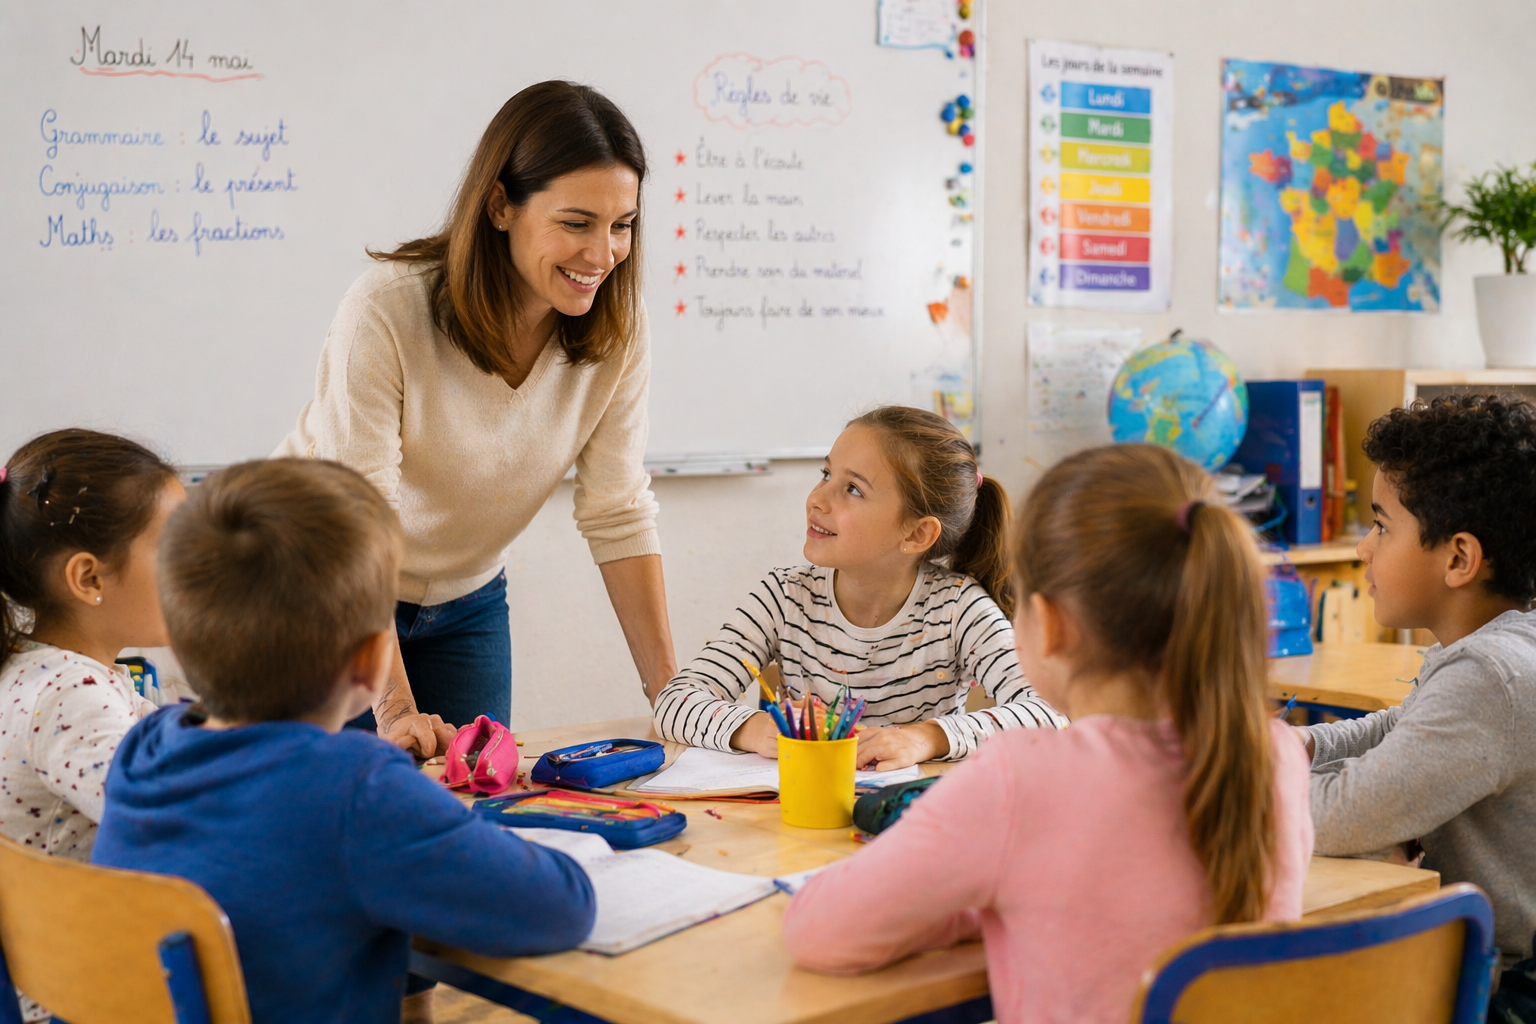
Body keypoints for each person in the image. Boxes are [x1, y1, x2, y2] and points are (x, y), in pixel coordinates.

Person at [782, 444, 1314, 1024]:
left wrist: (970, 898)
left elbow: (819, 933)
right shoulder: (1277, 755)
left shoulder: (1020, 777)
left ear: (1051, 625)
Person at [91, 459, 596, 1024]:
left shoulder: (143, 749)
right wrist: (411, 801)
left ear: (179, 646)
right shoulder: (359, 788)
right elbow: (561, 908)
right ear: (373, 663)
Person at [275, 80, 677, 758]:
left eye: (623, 225)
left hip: (466, 598)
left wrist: (673, 698)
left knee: (471, 809)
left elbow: (617, 510)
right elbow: (355, 520)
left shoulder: (618, 327)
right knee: (340, 821)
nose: (603, 253)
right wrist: (395, 706)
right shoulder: (388, 309)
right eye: (576, 223)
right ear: (500, 206)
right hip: (326, 584)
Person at [654, 406, 1063, 773]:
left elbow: (1052, 713)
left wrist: (926, 738)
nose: (817, 498)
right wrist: (755, 728)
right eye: (826, 474)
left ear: (918, 533)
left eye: (852, 489)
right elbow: (673, 703)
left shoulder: (958, 608)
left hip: (911, 821)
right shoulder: (784, 596)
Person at [1294, 394, 1536, 1012]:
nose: (1363, 549)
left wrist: (1237, 781)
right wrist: (1307, 744)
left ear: (1458, 558)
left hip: (1503, 988)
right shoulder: (1499, 644)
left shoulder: (1490, 675)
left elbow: (1347, 815)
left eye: (1380, 525)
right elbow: (1406, 727)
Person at [0, 429, 184, 1024]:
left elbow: (165, 748)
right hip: (89, 996)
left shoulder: (43, 670)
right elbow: (168, 813)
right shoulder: (70, 696)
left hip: (66, 977)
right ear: (89, 579)